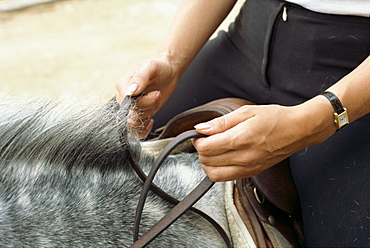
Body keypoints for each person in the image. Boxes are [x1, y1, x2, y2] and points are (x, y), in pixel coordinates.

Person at [116, 0, 370, 246]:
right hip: (245, 44)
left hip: (354, 80)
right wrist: (171, 60)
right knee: (98, 156)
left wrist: (320, 118)